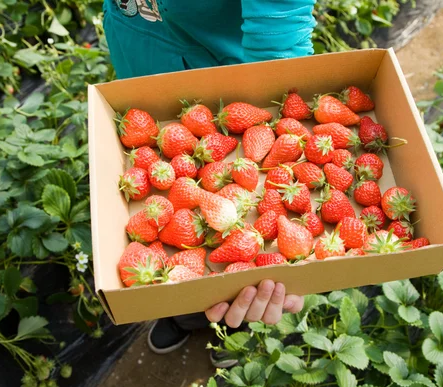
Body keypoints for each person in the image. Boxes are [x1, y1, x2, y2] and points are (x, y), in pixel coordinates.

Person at [102, 0, 316, 367]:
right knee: (174, 281)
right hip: (139, 60)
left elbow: (278, 32)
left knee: (237, 290)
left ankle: (230, 333)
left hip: (229, 85)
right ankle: (180, 314)